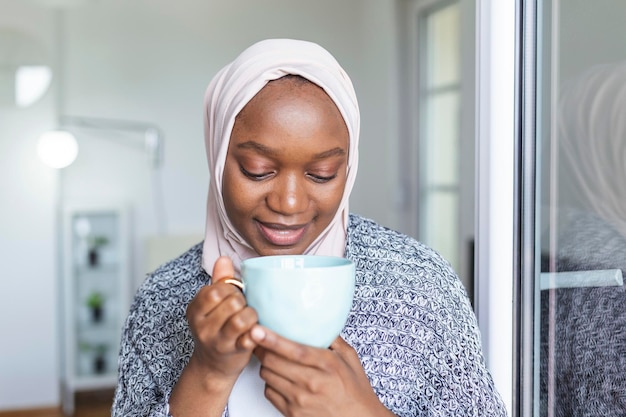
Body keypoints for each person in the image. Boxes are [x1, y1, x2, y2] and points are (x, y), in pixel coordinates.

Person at [112, 38, 507, 417]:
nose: (288, 202)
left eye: (322, 174)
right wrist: (208, 374)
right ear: (216, 159)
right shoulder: (161, 300)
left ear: (347, 171)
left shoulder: (419, 285)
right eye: (258, 171)